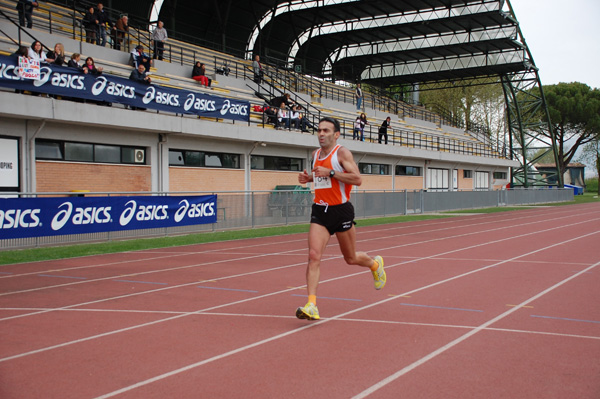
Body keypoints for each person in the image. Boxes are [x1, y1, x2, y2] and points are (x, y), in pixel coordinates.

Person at [295, 117, 386, 320]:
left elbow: (358, 179)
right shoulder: (315, 154)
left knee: (350, 258)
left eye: (326, 130)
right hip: (320, 210)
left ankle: (375, 265)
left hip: (341, 210)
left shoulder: (342, 153)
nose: (321, 134)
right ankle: (311, 304)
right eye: (319, 130)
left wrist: (332, 172)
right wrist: (308, 178)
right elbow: (321, 176)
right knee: (313, 255)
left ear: (336, 134)